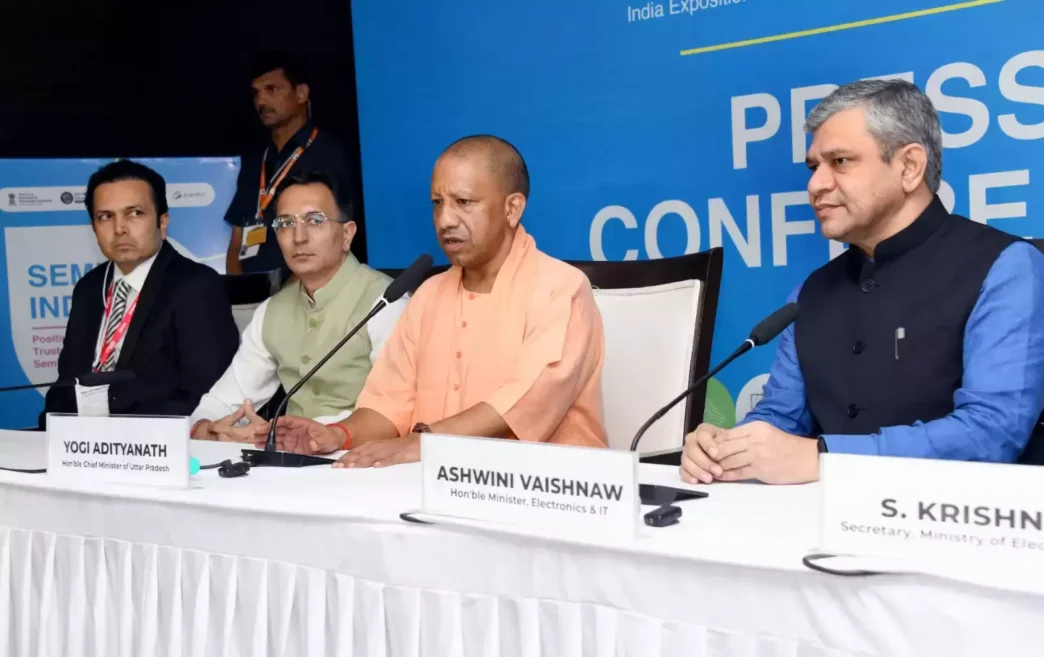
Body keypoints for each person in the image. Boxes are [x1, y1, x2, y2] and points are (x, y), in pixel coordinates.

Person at [681, 79, 1044, 486]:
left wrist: (824, 458)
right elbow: (780, 419)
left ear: (909, 166)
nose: (815, 185)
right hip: (820, 519)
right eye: (813, 167)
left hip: (960, 517)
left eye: (839, 161)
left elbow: (992, 433)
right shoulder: (811, 293)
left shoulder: (1005, 267)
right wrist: (725, 449)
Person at [261, 135, 608, 466]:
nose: (445, 220)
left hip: (550, 489)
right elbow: (387, 405)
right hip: (434, 483)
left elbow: (521, 403)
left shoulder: (559, 288)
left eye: (463, 202)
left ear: (512, 208)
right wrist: (337, 434)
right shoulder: (428, 295)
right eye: (437, 203)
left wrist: (422, 442)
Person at [190, 170, 405, 440]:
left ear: (347, 234)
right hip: (285, 456)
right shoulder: (272, 311)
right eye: (286, 223)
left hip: (360, 455)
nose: (299, 237)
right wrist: (207, 429)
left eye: (314, 221)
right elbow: (224, 399)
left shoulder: (386, 301)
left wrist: (313, 436)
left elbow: (396, 409)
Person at [41, 160, 239, 427]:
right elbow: (66, 385)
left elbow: (207, 395)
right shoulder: (88, 289)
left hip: (156, 440)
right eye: (106, 216)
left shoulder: (196, 286)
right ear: (93, 227)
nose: (119, 228)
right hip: (80, 441)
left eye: (134, 213)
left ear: (162, 222)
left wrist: (114, 421)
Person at [224, 51, 356, 276]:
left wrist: (293, 293)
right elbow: (237, 238)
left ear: (301, 93)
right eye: (256, 93)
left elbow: (333, 238)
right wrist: (236, 289)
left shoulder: (327, 155)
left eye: (272, 89)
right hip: (251, 291)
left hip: (305, 288)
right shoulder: (255, 160)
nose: (261, 101)